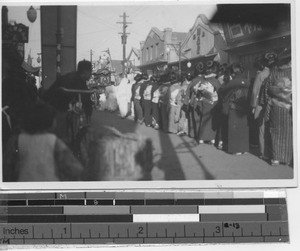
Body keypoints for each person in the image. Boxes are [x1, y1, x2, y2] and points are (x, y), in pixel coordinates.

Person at [3, 101, 84, 182]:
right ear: (50, 122)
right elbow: (74, 168)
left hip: (24, 185)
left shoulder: (16, 140)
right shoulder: (53, 141)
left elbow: (7, 166)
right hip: (50, 185)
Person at [43, 60, 93, 144]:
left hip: (63, 104)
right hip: (53, 104)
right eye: (90, 72)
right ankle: (59, 145)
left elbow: (85, 95)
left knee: (71, 117)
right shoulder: (70, 78)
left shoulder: (81, 81)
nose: (91, 75)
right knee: (61, 124)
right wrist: (72, 105)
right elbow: (62, 94)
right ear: (85, 72)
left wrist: (88, 111)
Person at [220, 63, 250, 155]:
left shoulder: (232, 83)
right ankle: (244, 148)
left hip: (234, 107)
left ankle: (236, 149)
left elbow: (223, 93)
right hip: (244, 106)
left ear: (233, 72)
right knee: (243, 128)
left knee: (234, 128)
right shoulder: (246, 81)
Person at [265, 75, 293, 165]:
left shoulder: (272, 99)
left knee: (275, 137)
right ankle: (287, 159)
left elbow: (267, 113)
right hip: (288, 117)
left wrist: (267, 118)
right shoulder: (291, 99)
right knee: (288, 137)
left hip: (275, 119)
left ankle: (276, 159)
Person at [194, 60, 221, 145]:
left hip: (204, 101)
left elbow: (196, 89)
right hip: (213, 102)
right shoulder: (215, 81)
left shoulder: (203, 80)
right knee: (212, 120)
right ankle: (211, 138)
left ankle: (201, 138)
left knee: (204, 119)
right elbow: (220, 91)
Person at [250, 56, 271, 159]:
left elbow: (255, 92)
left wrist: (253, 105)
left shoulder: (261, 75)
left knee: (261, 128)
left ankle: (263, 152)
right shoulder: (273, 73)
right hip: (273, 103)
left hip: (261, 104)